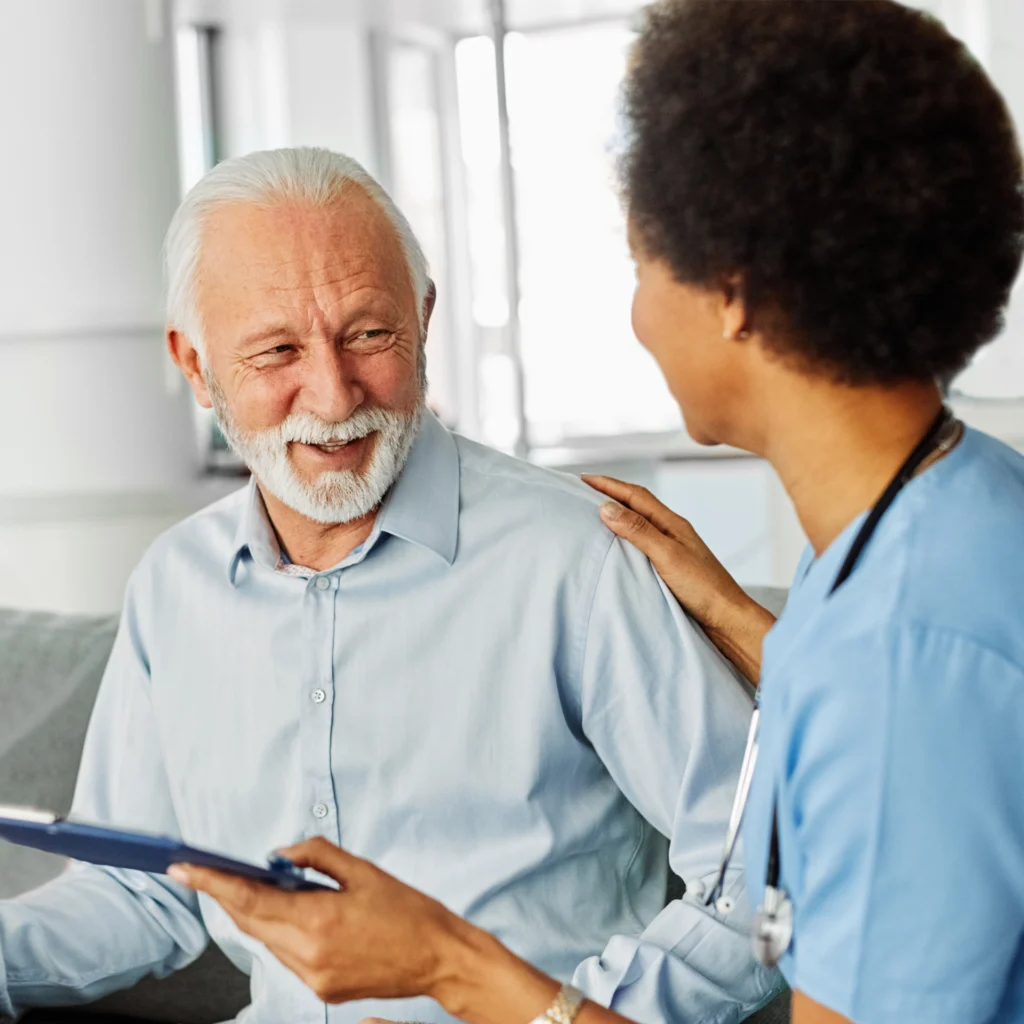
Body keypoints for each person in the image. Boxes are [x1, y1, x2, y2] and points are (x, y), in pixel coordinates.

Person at [172, 2, 1024, 1023]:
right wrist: (767, 641)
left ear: (732, 293)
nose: (634, 317)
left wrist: (449, 961)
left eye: (638, 265)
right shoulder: (953, 510)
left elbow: (906, 711)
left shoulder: (897, 658)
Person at [0, 148, 780, 1024]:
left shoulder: (580, 557)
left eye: (369, 335)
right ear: (195, 365)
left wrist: (566, 1017)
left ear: (424, 316)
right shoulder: (174, 586)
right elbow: (139, 893)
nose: (333, 398)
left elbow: (759, 866)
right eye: (276, 352)